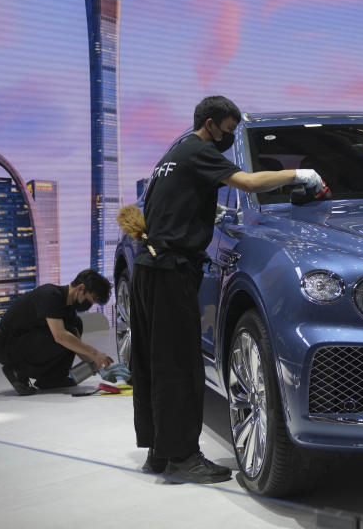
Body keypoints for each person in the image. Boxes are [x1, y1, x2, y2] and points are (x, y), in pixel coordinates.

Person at [130, 95, 325, 484]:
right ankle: (183, 457)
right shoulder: (199, 149)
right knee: (182, 367)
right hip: (171, 270)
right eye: (228, 130)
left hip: (148, 268)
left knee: (155, 363)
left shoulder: (174, 154)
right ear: (212, 123)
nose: (229, 136)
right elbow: (247, 182)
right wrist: (297, 175)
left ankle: (159, 452)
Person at [0, 269, 113, 396]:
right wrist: (95, 353)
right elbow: (60, 336)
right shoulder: (50, 295)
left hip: (27, 341)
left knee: (75, 328)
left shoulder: (69, 311)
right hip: (8, 347)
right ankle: (17, 371)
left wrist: (97, 364)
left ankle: (52, 379)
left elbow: (78, 347)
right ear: (81, 288)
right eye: (92, 298)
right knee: (67, 333)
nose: (91, 304)